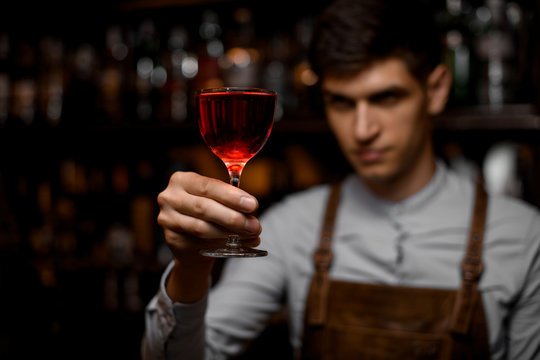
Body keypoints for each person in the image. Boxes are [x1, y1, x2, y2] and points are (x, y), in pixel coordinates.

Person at [142, 0, 540, 359]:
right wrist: (190, 270)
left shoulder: (524, 236)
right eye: (342, 102)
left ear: (435, 90)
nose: (362, 129)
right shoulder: (287, 227)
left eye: (386, 98)